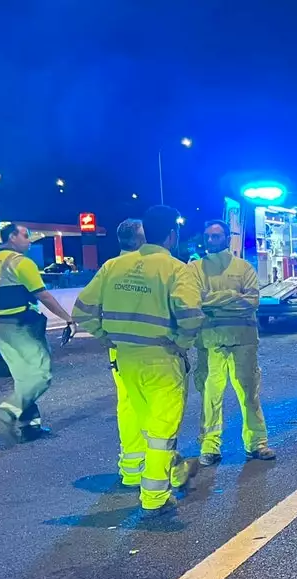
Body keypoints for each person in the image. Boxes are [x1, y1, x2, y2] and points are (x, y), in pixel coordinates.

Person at [72, 206, 203, 518]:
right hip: (162, 358)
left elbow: (81, 311)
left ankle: (171, 470)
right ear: (172, 234)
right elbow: (192, 315)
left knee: (146, 423)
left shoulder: (114, 266)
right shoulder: (175, 268)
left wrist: (104, 335)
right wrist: (182, 342)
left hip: (125, 358)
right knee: (161, 430)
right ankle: (155, 497)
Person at [0, 224, 76, 442]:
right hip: (20, 324)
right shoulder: (20, 263)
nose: (29, 240)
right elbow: (43, 295)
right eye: (25, 236)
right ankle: (9, 410)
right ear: (12, 237)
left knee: (22, 377)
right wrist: (68, 318)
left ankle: (30, 427)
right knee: (41, 376)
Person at [191, 220, 275, 467]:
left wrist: (213, 302)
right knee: (210, 397)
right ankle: (209, 446)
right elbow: (195, 301)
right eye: (207, 236)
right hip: (211, 343)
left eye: (216, 236)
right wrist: (232, 297)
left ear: (227, 238)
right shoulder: (195, 269)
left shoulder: (243, 268)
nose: (210, 240)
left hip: (242, 342)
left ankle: (257, 444)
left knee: (249, 395)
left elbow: (252, 301)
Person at [108, 219, 146, 487]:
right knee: (156, 408)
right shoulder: (152, 267)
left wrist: (104, 337)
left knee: (127, 405)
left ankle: (131, 468)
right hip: (151, 349)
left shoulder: (109, 268)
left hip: (119, 350)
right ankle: (156, 466)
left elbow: (85, 310)